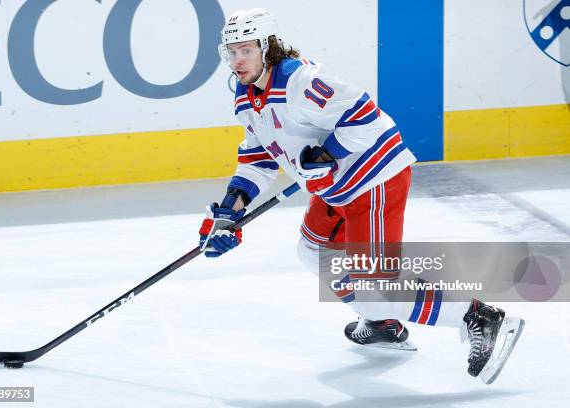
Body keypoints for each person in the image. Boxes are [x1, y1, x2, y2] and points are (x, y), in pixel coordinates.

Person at [199, 8, 523, 383]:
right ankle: (383, 323)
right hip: (334, 190)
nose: (238, 61)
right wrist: (229, 211)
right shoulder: (246, 95)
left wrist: (325, 154)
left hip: (373, 181)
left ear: (267, 47)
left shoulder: (298, 81)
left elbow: (365, 116)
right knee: (313, 251)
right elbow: (258, 158)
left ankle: (478, 317)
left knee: (377, 287)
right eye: (232, 52)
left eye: (246, 50)